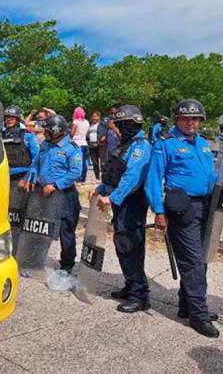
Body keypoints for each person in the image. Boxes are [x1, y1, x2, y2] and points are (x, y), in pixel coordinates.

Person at [145, 99, 220, 338]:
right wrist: (158, 211)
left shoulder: (203, 143)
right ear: (177, 119)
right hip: (182, 207)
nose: (191, 122)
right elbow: (154, 180)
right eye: (186, 118)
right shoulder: (165, 144)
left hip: (206, 205)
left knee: (201, 258)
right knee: (192, 262)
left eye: (196, 118)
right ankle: (199, 315)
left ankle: (186, 306)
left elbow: (210, 174)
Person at [92, 105, 151, 313]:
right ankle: (130, 284)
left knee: (131, 246)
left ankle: (140, 295)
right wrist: (101, 188)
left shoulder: (140, 146)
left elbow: (132, 177)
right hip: (120, 201)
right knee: (123, 244)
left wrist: (113, 198)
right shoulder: (125, 144)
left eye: (120, 125)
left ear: (130, 125)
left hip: (131, 203)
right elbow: (113, 171)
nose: (116, 128)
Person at [21, 115, 82, 272]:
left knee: (66, 232)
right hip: (44, 195)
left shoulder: (71, 148)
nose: (43, 133)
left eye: (47, 130)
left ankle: (66, 267)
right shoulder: (45, 145)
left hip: (64, 196)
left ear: (55, 132)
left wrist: (55, 185)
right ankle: (35, 260)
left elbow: (75, 172)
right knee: (41, 227)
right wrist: (30, 178)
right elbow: (35, 164)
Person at [2, 106, 39, 179]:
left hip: (23, 175)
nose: (9, 119)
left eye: (12, 117)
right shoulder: (0, 135)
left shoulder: (27, 135)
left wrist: (30, 177)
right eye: (7, 117)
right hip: (4, 175)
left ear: (18, 119)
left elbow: (36, 157)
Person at [71, 107, 90, 183]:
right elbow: (87, 133)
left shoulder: (75, 122)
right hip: (84, 143)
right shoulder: (87, 122)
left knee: (77, 162)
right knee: (84, 162)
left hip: (76, 143)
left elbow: (72, 133)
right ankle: (83, 179)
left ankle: (78, 179)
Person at [87, 111, 106, 180]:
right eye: (92, 116)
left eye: (95, 116)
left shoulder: (103, 124)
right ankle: (97, 178)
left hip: (100, 145)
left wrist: (105, 136)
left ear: (99, 117)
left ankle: (104, 177)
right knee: (94, 163)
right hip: (91, 145)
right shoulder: (89, 124)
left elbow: (107, 132)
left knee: (102, 162)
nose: (93, 118)